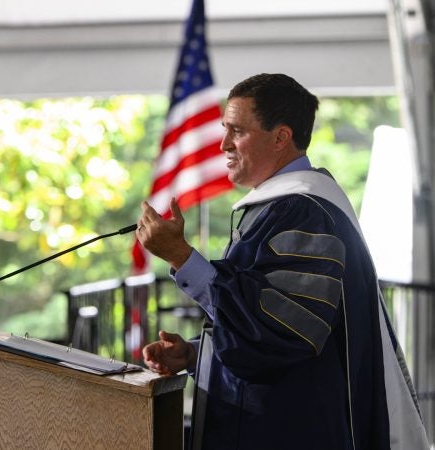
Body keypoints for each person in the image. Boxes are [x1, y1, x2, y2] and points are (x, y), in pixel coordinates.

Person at [137, 73, 429, 449]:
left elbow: (281, 335)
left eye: (237, 131)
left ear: (280, 137)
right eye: (225, 129)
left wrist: (181, 255)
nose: (224, 143)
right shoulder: (280, 208)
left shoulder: (305, 212)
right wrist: (194, 353)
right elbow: (262, 323)